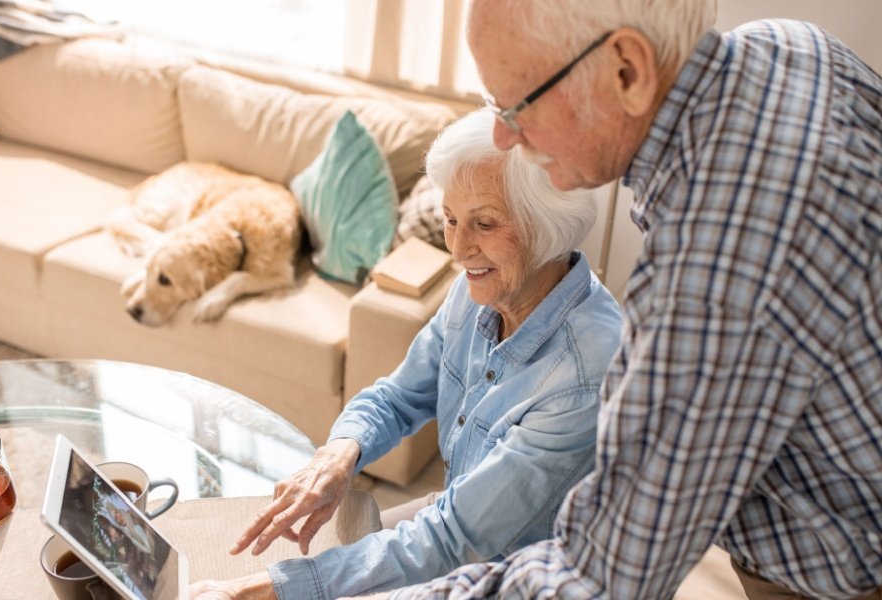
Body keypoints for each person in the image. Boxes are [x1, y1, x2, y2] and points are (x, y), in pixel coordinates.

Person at [383, 1, 882, 599]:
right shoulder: (791, 45)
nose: (503, 136)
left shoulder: (722, 258)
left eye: (518, 105)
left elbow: (602, 573)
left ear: (627, 70)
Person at [189, 108, 624, 600]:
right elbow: (397, 397)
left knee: (274, 585)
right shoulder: (480, 288)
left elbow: (451, 540)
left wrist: (252, 592)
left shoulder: (587, 373)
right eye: (451, 220)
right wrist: (339, 455)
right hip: (457, 524)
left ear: (549, 223)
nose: (459, 250)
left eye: (484, 224)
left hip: (523, 578)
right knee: (275, 558)